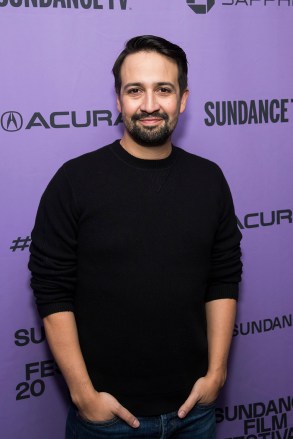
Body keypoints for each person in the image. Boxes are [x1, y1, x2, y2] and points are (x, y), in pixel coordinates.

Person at [29, 35, 242, 439]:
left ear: (182, 99)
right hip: (106, 421)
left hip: (193, 415)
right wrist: (83, 395)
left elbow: (223, 278)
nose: (149, 105)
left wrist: (217, 374)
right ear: (118, 101)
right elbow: (52, 289)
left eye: (163, 89)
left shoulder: (209, 180)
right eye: (134, 90)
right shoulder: (75, 181)